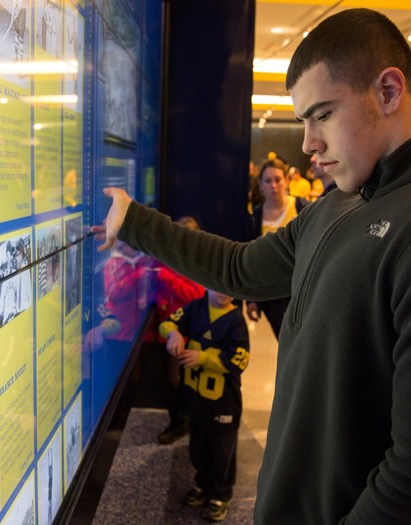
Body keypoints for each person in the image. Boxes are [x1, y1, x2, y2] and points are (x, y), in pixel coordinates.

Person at [92, 8, 411, 522]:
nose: (308, 143)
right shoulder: (343, 199)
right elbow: (241, 269)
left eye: (323, 114)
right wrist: (135, 222)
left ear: (390, 92)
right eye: (304, 119)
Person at [160, 289, 250, 522]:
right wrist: (174, 335)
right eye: (217, 284)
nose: (223, 291)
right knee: (198, 448)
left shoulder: (236, 320)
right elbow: (168, 323)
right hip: (196, 400)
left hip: (223, 403)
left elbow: (240, 359)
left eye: (229, 285)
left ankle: (220, 495)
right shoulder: (195, 308)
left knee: (222, 452)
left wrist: (203, 358)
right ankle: (202, 484)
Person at [149, 216, 206, 445]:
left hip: (191, 331)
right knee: (171, 380)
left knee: (179, 380)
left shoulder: (199, 261)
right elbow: (158, 291)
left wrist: (166, 278)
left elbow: (196, 295)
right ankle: (179, 421)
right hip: (168, 329)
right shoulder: (166, 259)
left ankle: (182, 422)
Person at [246, 158, 307, 338]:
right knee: (285, 342)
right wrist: (251, 299)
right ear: (261, 185)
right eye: (268, 180)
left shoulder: (301, 207)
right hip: (271, 294)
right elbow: (252, 259)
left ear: (286, 181)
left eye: (278, 179)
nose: (274, 185)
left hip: (302, 289)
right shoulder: (255, 217)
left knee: (305, 343)